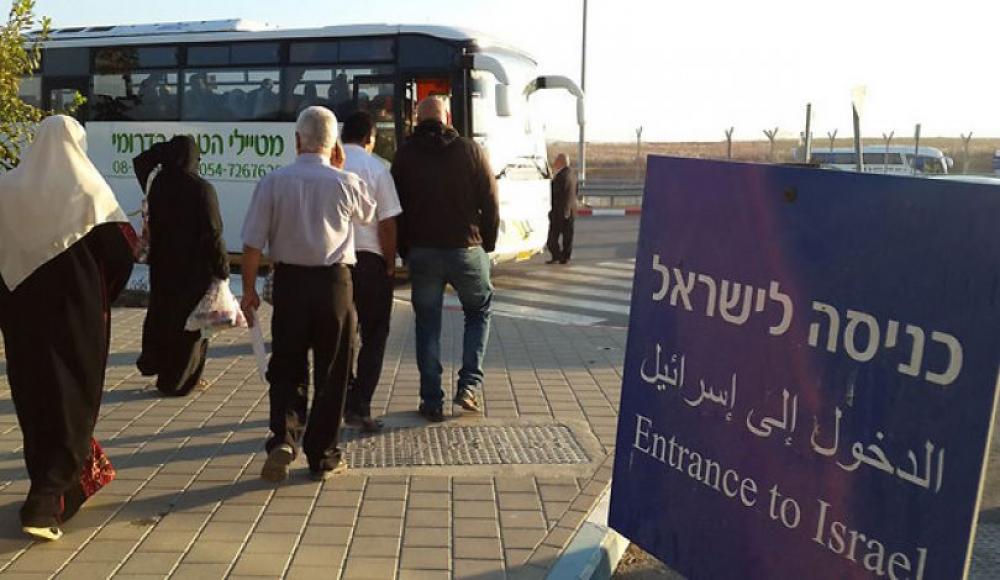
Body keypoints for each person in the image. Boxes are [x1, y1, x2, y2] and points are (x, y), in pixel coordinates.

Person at [0, 115, 135, 540]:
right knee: (72, 397)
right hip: (77, 318)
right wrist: (100, 296)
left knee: (34, 396)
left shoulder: (7, 191)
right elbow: (123, 254)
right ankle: (45, 502)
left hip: (22, 318)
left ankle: (51, 485)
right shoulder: (90, 190)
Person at [240, 106, 376, 482]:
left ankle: (284, 437)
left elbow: (252, 244)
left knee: (287, 365)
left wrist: (249, 291)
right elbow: (368, 215)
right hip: (335, 285)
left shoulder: (273, 181)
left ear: (297, 140)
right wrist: (340, 166)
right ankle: (323, 454)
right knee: (333, 371)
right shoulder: (347, 181)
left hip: (289, 284)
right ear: (334, 145)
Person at [391, 97, 499, 422]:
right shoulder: (471, 150)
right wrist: (487, 243)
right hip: (466, 248)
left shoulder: (405, 155)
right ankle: (468, 386)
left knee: (427, 325)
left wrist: (404, 249)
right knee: (478, 312)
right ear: (448, 117)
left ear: (416, 119)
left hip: (423, 252)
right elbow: (490, 200)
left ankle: (431, 400)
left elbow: (395, 209)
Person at [133, 136, 229, 397]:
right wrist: (222, 269)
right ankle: (178, 381)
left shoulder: (158, 185)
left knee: (165, 316)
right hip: (194, 269)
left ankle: (162, 370)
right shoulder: (202, 189)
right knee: (191, 324)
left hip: (163, 265)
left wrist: (162, 152)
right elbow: (213, 232)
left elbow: (141, 161)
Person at [341, 111, 402, 433]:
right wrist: (390, 262)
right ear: (369, 138)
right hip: (369, 261)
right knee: (374, 333)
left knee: (339, 335)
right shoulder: (377, 168)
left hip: (334, 263)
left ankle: (343, 395)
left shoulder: (331, 164)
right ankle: (360, 403)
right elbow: (387, 222)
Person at [546, 153, 578, 264]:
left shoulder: (561, 176)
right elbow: (575, 192)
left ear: (561, 162)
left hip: (559, 212)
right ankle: (565, 257)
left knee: (552, 239)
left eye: (556, 160)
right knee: (567, 237)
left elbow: (555, 193)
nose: (554, 162)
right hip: (570, 210)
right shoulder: (573, 174)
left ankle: (558, 256)